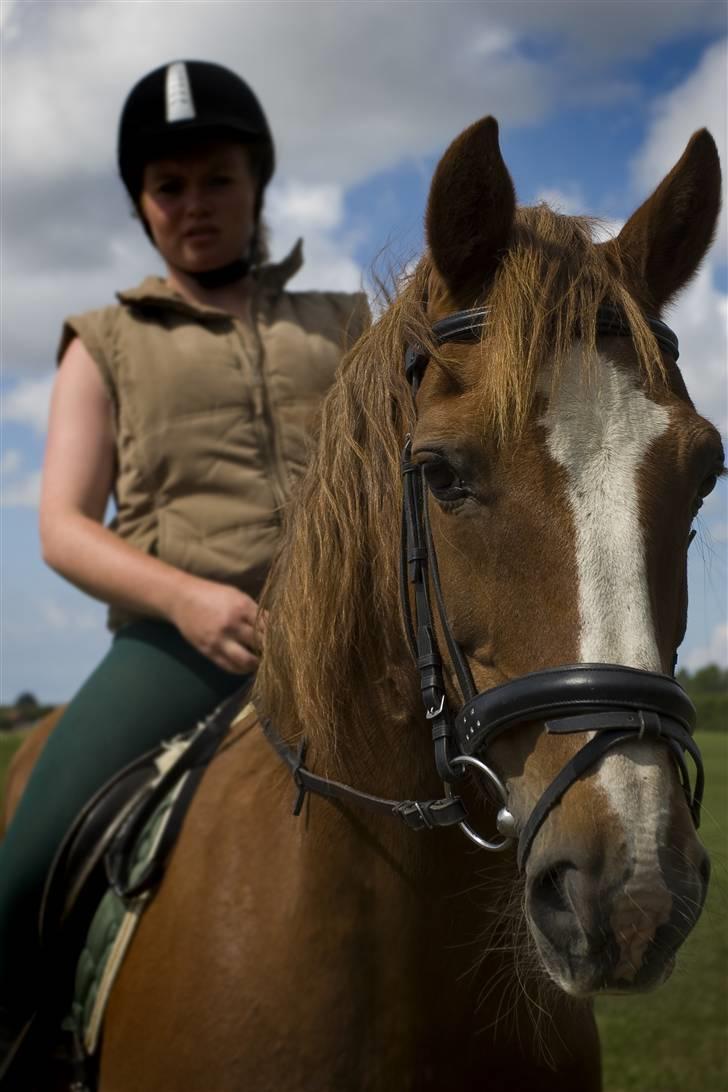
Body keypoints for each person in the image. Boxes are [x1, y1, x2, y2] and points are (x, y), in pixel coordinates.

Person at [0, 59, 369, 1053]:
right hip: (181, 647)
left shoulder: (344, 325)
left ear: (257, 184)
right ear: (140, 206)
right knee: (23, 863)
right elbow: (63, 527)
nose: (194, 205)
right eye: (168, 187)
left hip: (347, 636)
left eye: (216, 179)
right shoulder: (102, 341)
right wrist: (189, 600)